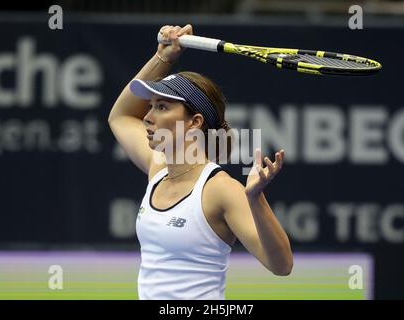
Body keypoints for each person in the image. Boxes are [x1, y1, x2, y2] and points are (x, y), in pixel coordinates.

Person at [108, 24, 293, 300]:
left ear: (194, 122)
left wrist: (256, 199)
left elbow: (281, 266)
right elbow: (120, 116)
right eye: (150, 106)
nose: (147, 117)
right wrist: (164, 57)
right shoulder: (157, 169)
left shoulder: (220, 189)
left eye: (162, 107)